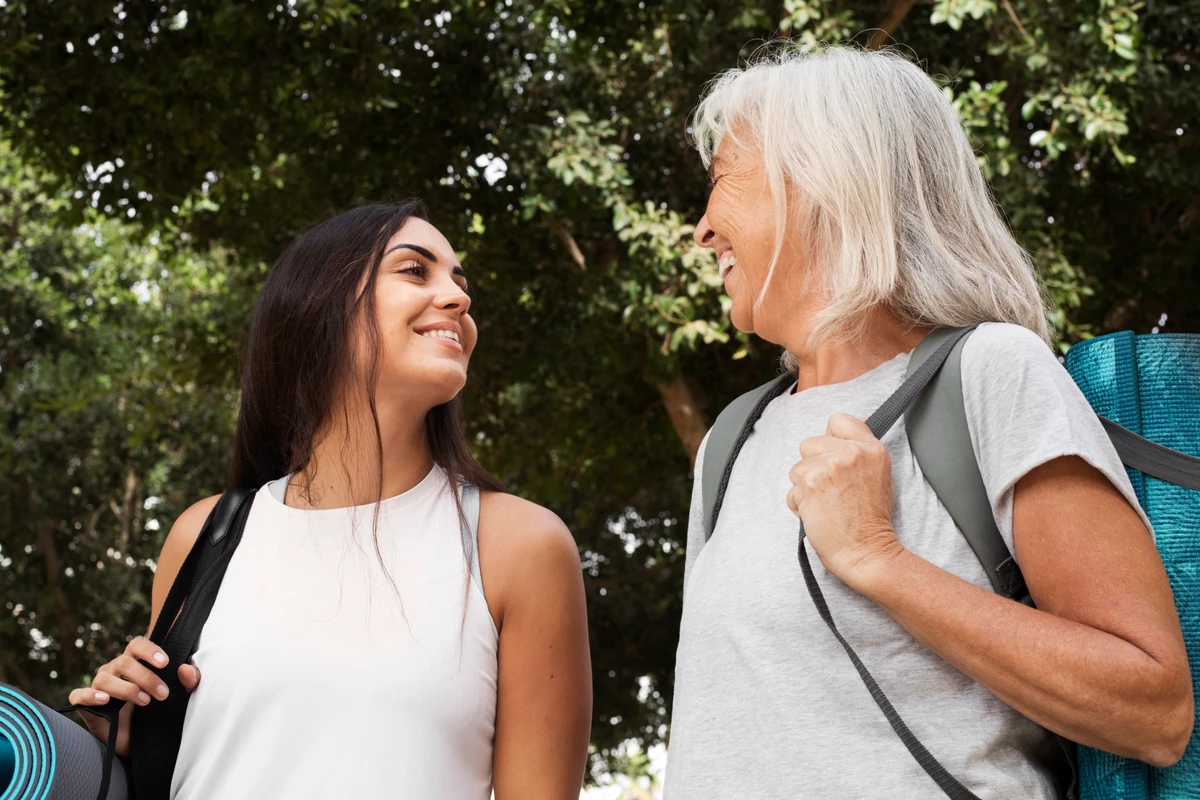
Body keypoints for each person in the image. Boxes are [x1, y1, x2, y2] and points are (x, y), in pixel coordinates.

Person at [665, 46, 1192, 799]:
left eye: (720, 181)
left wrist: (880, 559)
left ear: (821, 182)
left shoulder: (988, 373)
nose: (702, 230)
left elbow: (1154, 709)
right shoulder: (730, 440)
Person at [68, 202, 593, 799]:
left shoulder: (520, 546)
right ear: (320, 305)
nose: (457, 298)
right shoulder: (206, 533)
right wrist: (138, 730)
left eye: (459, 281)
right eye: (415, 271)